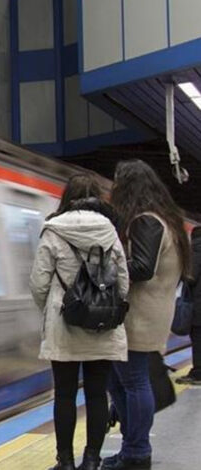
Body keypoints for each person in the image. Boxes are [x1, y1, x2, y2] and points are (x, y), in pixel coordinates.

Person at [30, 174, 129, 470]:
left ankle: (66, 462)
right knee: (97, 394)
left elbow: (38, 283)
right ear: (97, 198)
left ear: (67, 198)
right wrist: (108, 308)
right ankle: (92, 460)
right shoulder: (110, 232)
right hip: (102, 327)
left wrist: (52, 310)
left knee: (64, 395)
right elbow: (123, 282)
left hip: (64, 325)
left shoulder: (53, 231)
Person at [103, 160, 191, 470]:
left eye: (117, 184)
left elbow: (141, 267)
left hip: (139, 316)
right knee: (119, 381)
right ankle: (132, 448)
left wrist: (104, 271)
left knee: (133, 382)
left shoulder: (146, 221)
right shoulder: (166, 220)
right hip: (149, 313)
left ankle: (137, 452)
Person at [176, 226, 201, 385]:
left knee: (198, 338)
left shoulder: (196, 250)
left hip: (198, 304)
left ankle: (198, 373)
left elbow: (191, 276)